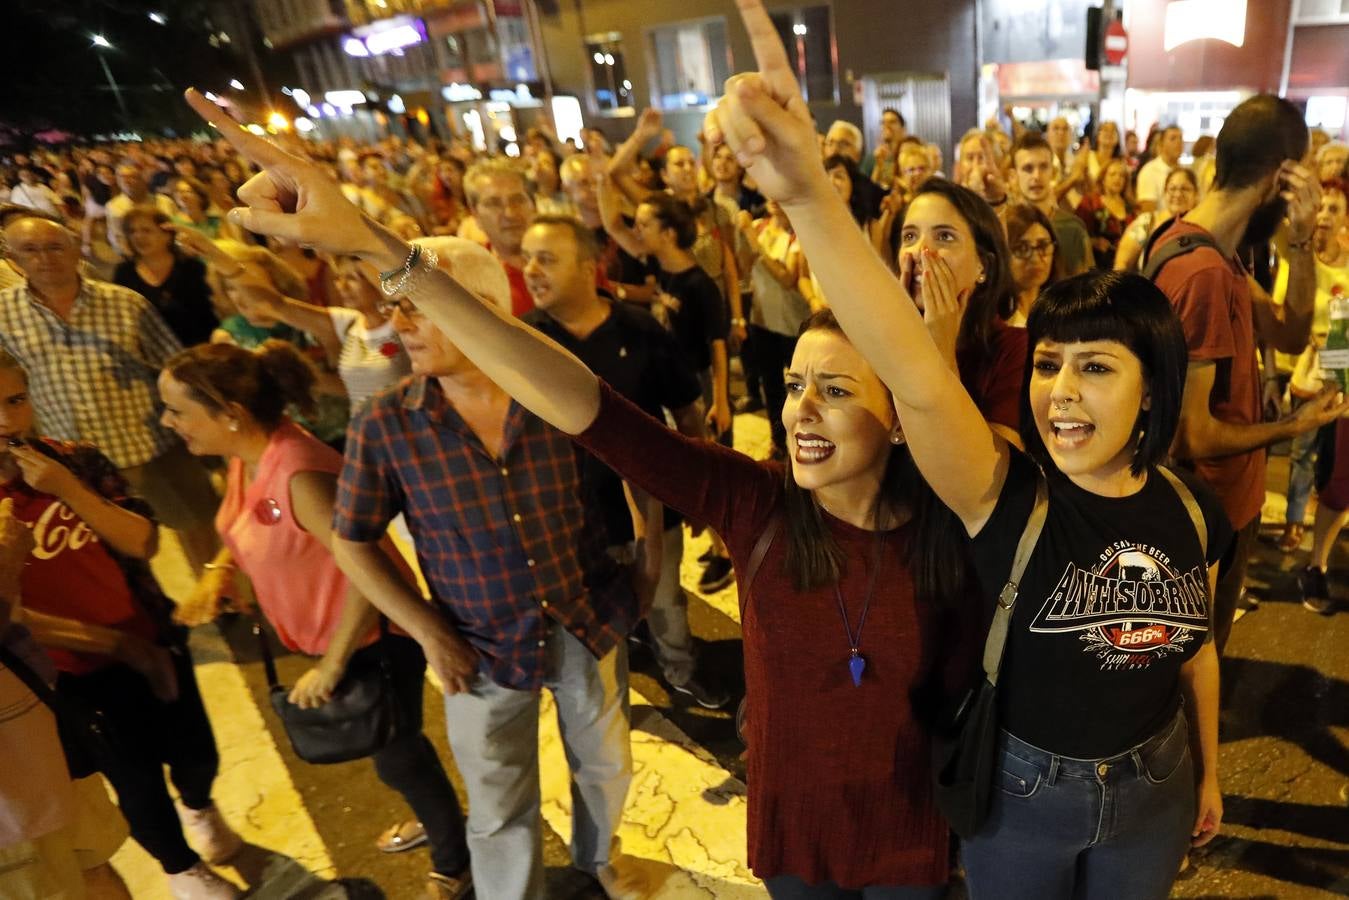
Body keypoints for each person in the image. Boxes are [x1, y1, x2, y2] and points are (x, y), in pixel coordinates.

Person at [183, 86, 977, 900]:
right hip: (793, 827)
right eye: (794, 384)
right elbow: (581, 402)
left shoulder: (960, 519)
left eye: (837, 391)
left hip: (911, 829)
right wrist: (383, 250)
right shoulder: (756, 502)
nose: (800, 410)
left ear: (902, 418)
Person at [701, 11, 1233, 896]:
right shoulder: (1004, 489)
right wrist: (806, 198)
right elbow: (912, 377)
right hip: (1024, 798)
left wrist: (1208, 770)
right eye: (1050, 364)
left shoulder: (1188, 510)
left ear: (1154, 390)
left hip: (1156, 790)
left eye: (1095, 367)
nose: (1059, 390)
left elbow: (1196, 649)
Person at [158, 341, 473, 900]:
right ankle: (440, 827)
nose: (168, 421)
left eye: (178, 410)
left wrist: (332, 666)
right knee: (392, 753)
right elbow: (246, 519)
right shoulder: (246, 457)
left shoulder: (301, 473)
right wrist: (219, 569)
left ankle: (456, 861)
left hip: (372, 640)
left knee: (399, 755)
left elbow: (364, 567)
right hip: (330, 639)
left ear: (230, 414)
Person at [0, 348, 241, 899]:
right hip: (69, 679)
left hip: (147, 628)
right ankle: (181, 867)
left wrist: (68, 490)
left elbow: (143, 540)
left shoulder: (72, 462)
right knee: (134, 783)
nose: (7, 421)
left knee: (196, 751)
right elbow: (9, 617)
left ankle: (200, 804)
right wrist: (116, 647)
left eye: (16, 400)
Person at [1152, 95, 1346, 654]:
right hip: (1207, 517)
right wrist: (1292, 426)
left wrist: (1304, 242)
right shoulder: (1201, 270)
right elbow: (1192, 432)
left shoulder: (1216, 252)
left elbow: (1286, 333)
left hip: (1227, 507)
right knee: (1197, 664)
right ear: (1280, 179)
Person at [520, 215, 728, 709]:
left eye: (545, 258)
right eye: (526, 258)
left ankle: (680, 668)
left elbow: (685, 412)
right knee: (592, 609)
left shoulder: (640, 330)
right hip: (568, 517)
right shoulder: (525, 339)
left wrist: (698, 492)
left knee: (665, 600)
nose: (530, 270)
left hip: (650, 504)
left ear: (588, 266)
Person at [0, 215, 222, 576]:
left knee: (198, 529)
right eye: (30, 250)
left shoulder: (125, 303)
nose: (44, 258)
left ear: (75, 250)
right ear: (13, 257)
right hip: (75, 462)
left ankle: (224, 606)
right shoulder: (3, 315)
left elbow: (173, 366)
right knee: (113, 554)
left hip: (152, 447)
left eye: (55, 246)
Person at [895, 179, 1025, 434]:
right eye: (910, 236)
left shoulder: (1016, 350)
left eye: (944, 237)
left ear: (983, 266)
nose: (921, 251)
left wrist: (941, 347)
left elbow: (984, 470)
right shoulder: (884, 343)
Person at [1275, 179, 1349, 555]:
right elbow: (1281, 316)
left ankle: (1327, 512)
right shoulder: (1297, 262)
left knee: (1336, 455)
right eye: (1320, 207)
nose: (1323, 216)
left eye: (1333, 209)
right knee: (1302, 451)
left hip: (1344, 378)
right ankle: (1293, 520)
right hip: (1305, 371)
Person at [735, 199, 813, 457]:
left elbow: (788, 277)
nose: (773, 200)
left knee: (800, 386)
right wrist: (743, 237)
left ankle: (802, 438)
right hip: (762, 321)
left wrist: (752, 241)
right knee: (770, 384)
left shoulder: (799, 231)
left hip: (793, 324)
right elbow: (744, 268)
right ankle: (779, 442)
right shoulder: (759, 226)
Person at [113, 206, 220, 347]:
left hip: (195, 348)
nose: (138, 236)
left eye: (146, 230)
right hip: (149, 352)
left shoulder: (191, 268)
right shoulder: (124, 272)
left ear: (167, 235)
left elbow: (208, 316)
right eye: (132, 231)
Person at [460, 159, 536, 316]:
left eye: (517, 200)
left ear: (533, 205)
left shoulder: (569, 258)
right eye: (494, 203)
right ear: (475, 214)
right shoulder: (469, 280)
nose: (510, 213)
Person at [1009, 133, 1092, 275]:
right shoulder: (1005, 227)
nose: (1036, 176)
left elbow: (1084, 286)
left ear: (1052, 172)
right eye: (1028, 169)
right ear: (1014, 176)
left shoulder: (1073, 228)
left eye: (1043, 167)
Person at [1114, 167, 1199, 272]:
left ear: (1196, 195)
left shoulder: (1202, 226)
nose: (1178, 194)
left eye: (1185, 189)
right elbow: (1122, 265)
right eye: (1172, 189)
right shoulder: (1146, 223)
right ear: (1164, 192)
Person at [1004, 203, 1061, 327]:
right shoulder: (995, 324)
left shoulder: (1065, 311)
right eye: (1021, 248)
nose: (1035, 259)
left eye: (1043, 246)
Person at [1076, 157, 1135, 270]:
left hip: (1127, 267)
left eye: (1122, 176)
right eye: (1112, 174)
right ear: (1103, 178)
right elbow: (1076, 234)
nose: (1117, 179)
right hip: (1097, 266)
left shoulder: (1131, 208)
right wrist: (1094, 242)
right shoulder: (1090, 203)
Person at [1137, 126, 1183, 213]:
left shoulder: (1185, 171)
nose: (1179, 142)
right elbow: (1148, 213)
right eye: (1173, 138)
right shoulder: (1149, 171)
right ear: (1161, 144)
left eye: (1180, 138)